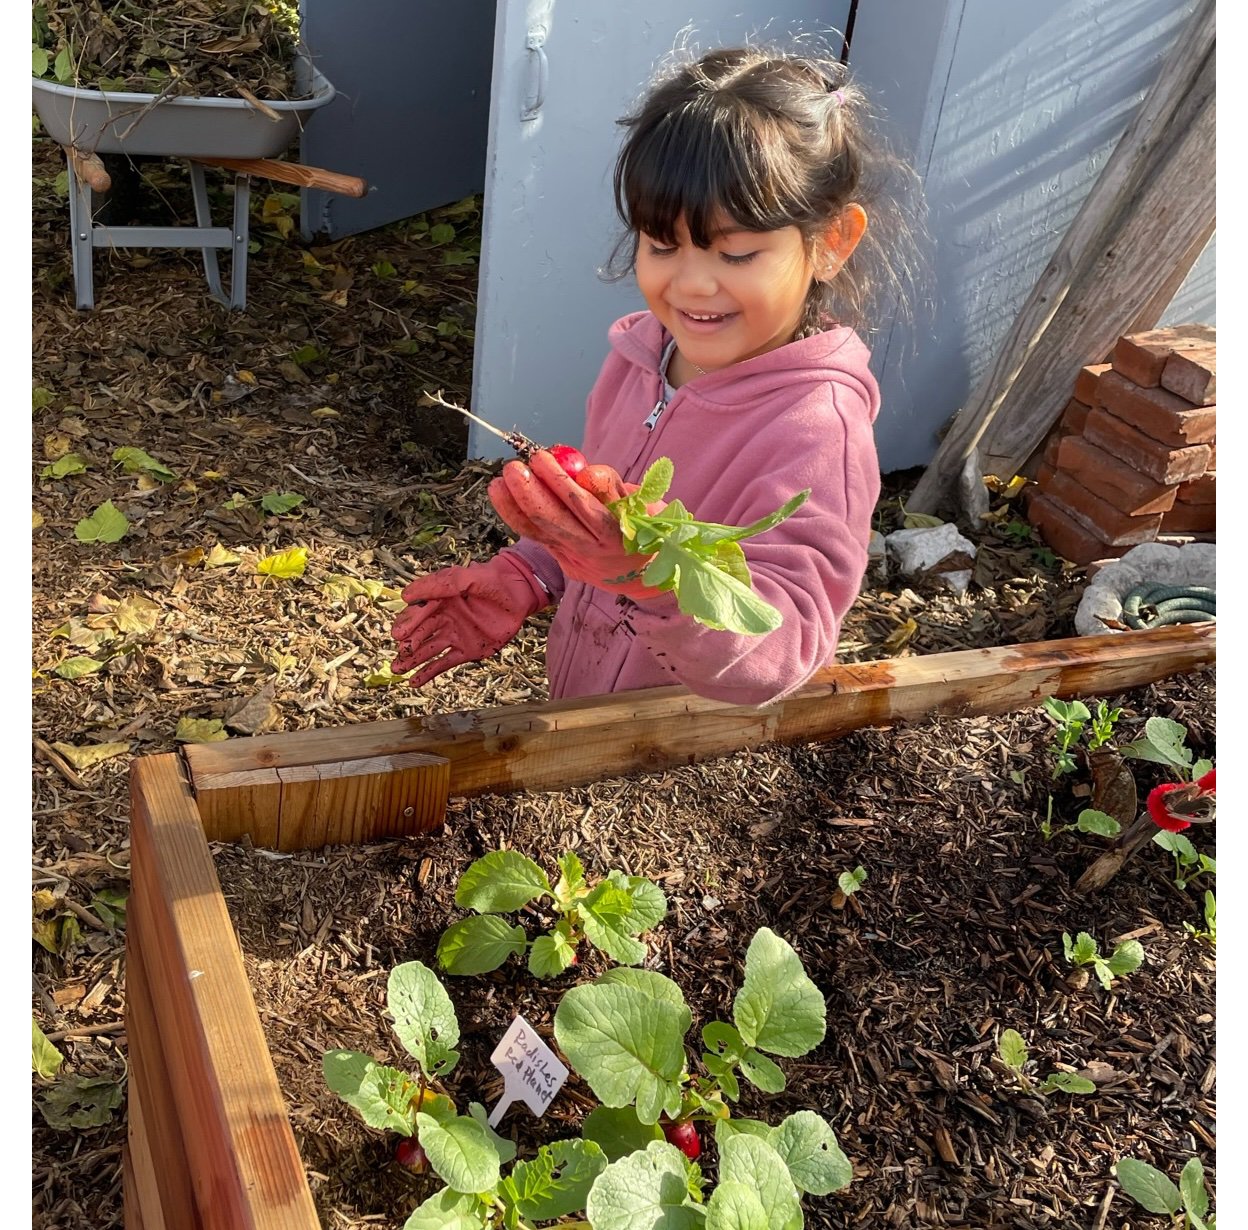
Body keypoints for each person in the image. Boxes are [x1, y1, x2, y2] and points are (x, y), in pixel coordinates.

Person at [391, 44, 924, 706]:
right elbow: (606, 530)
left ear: (832, 242)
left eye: (736, 253)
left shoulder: (818, 432)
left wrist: (653, 576)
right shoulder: (642, 354)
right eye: (662, 245)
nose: (693, 284)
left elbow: (783, 650)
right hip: (591, 715)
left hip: (687, 747)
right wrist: (530, 573)